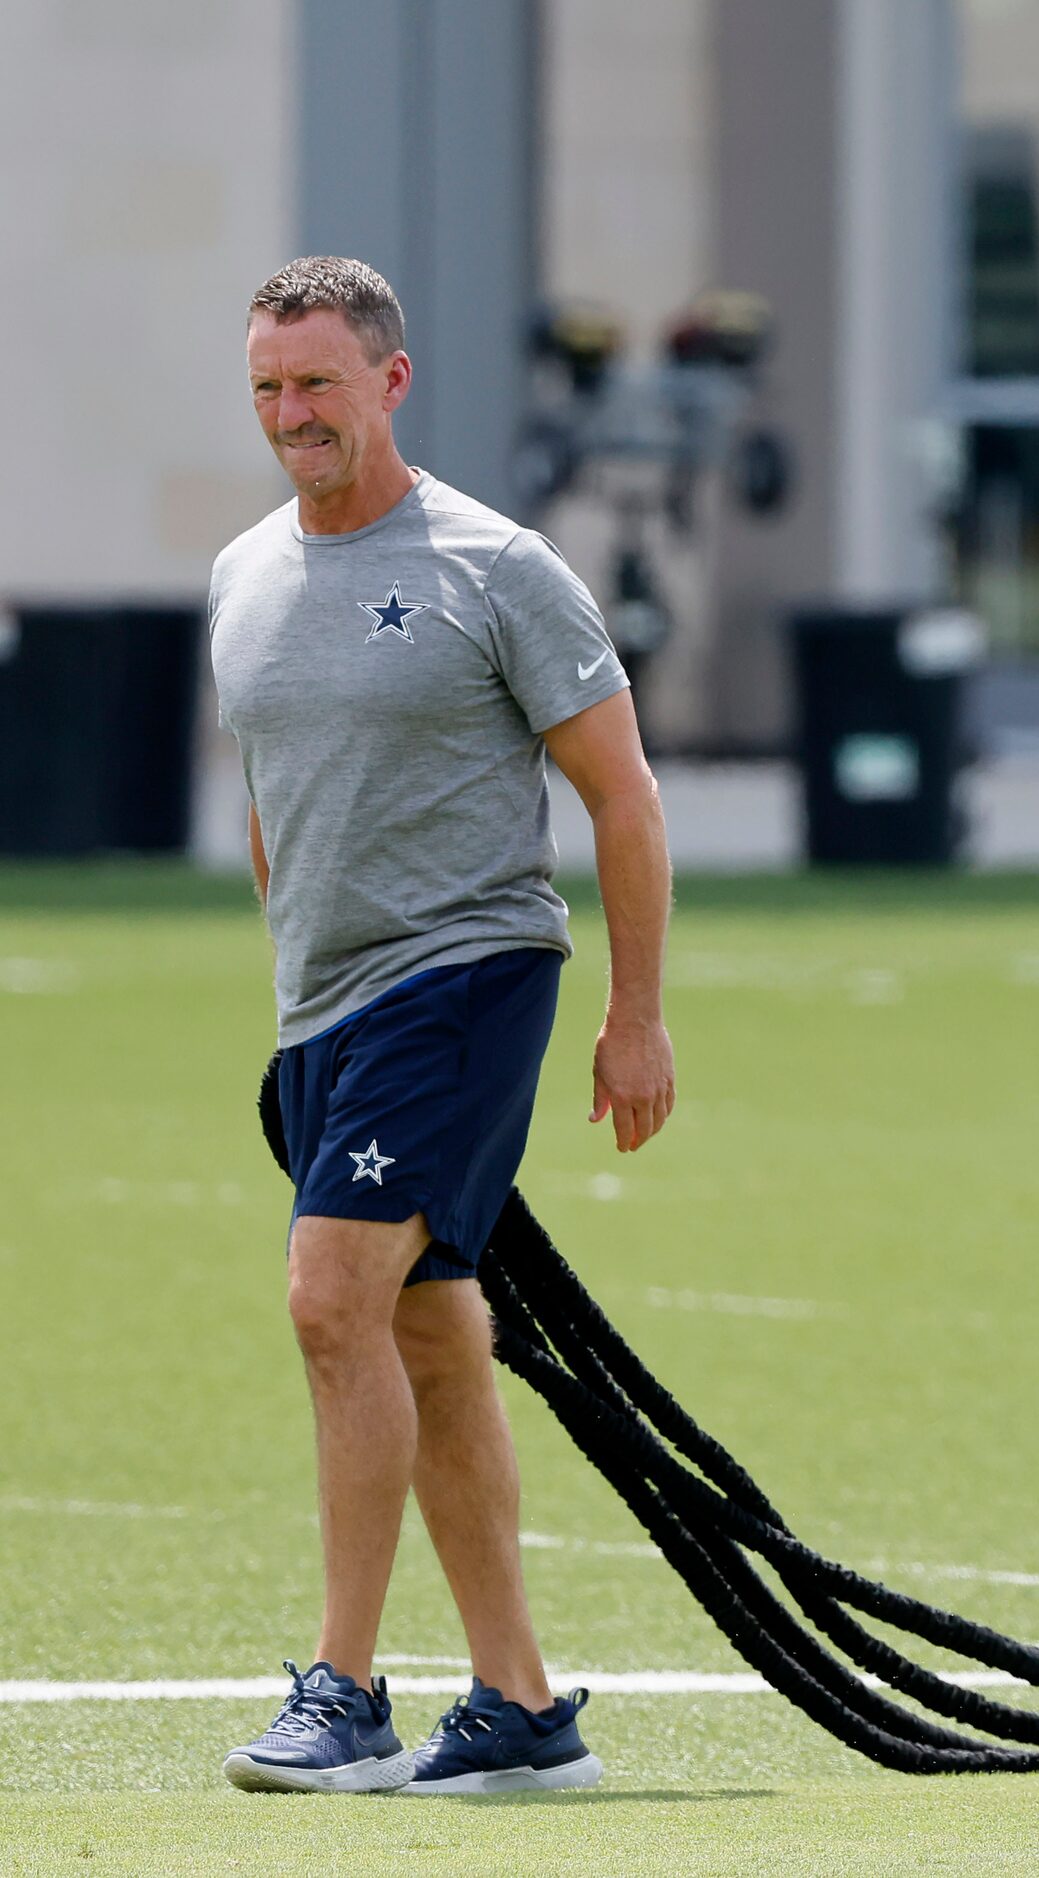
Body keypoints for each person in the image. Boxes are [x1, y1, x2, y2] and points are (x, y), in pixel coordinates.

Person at [210, 256, 675, 1795]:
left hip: (469, 977)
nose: (293, 415)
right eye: (271, 387)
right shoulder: (244, 575)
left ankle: (343, 1689)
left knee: (330, 1298)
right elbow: (278, 803)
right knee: (430, 1333)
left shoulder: (497, 564)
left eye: (319, 386)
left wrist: (635, 1016)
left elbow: (622, 796)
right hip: (325, 1017)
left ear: (391, 382)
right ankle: (522, 1708)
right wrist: (291, 1009)